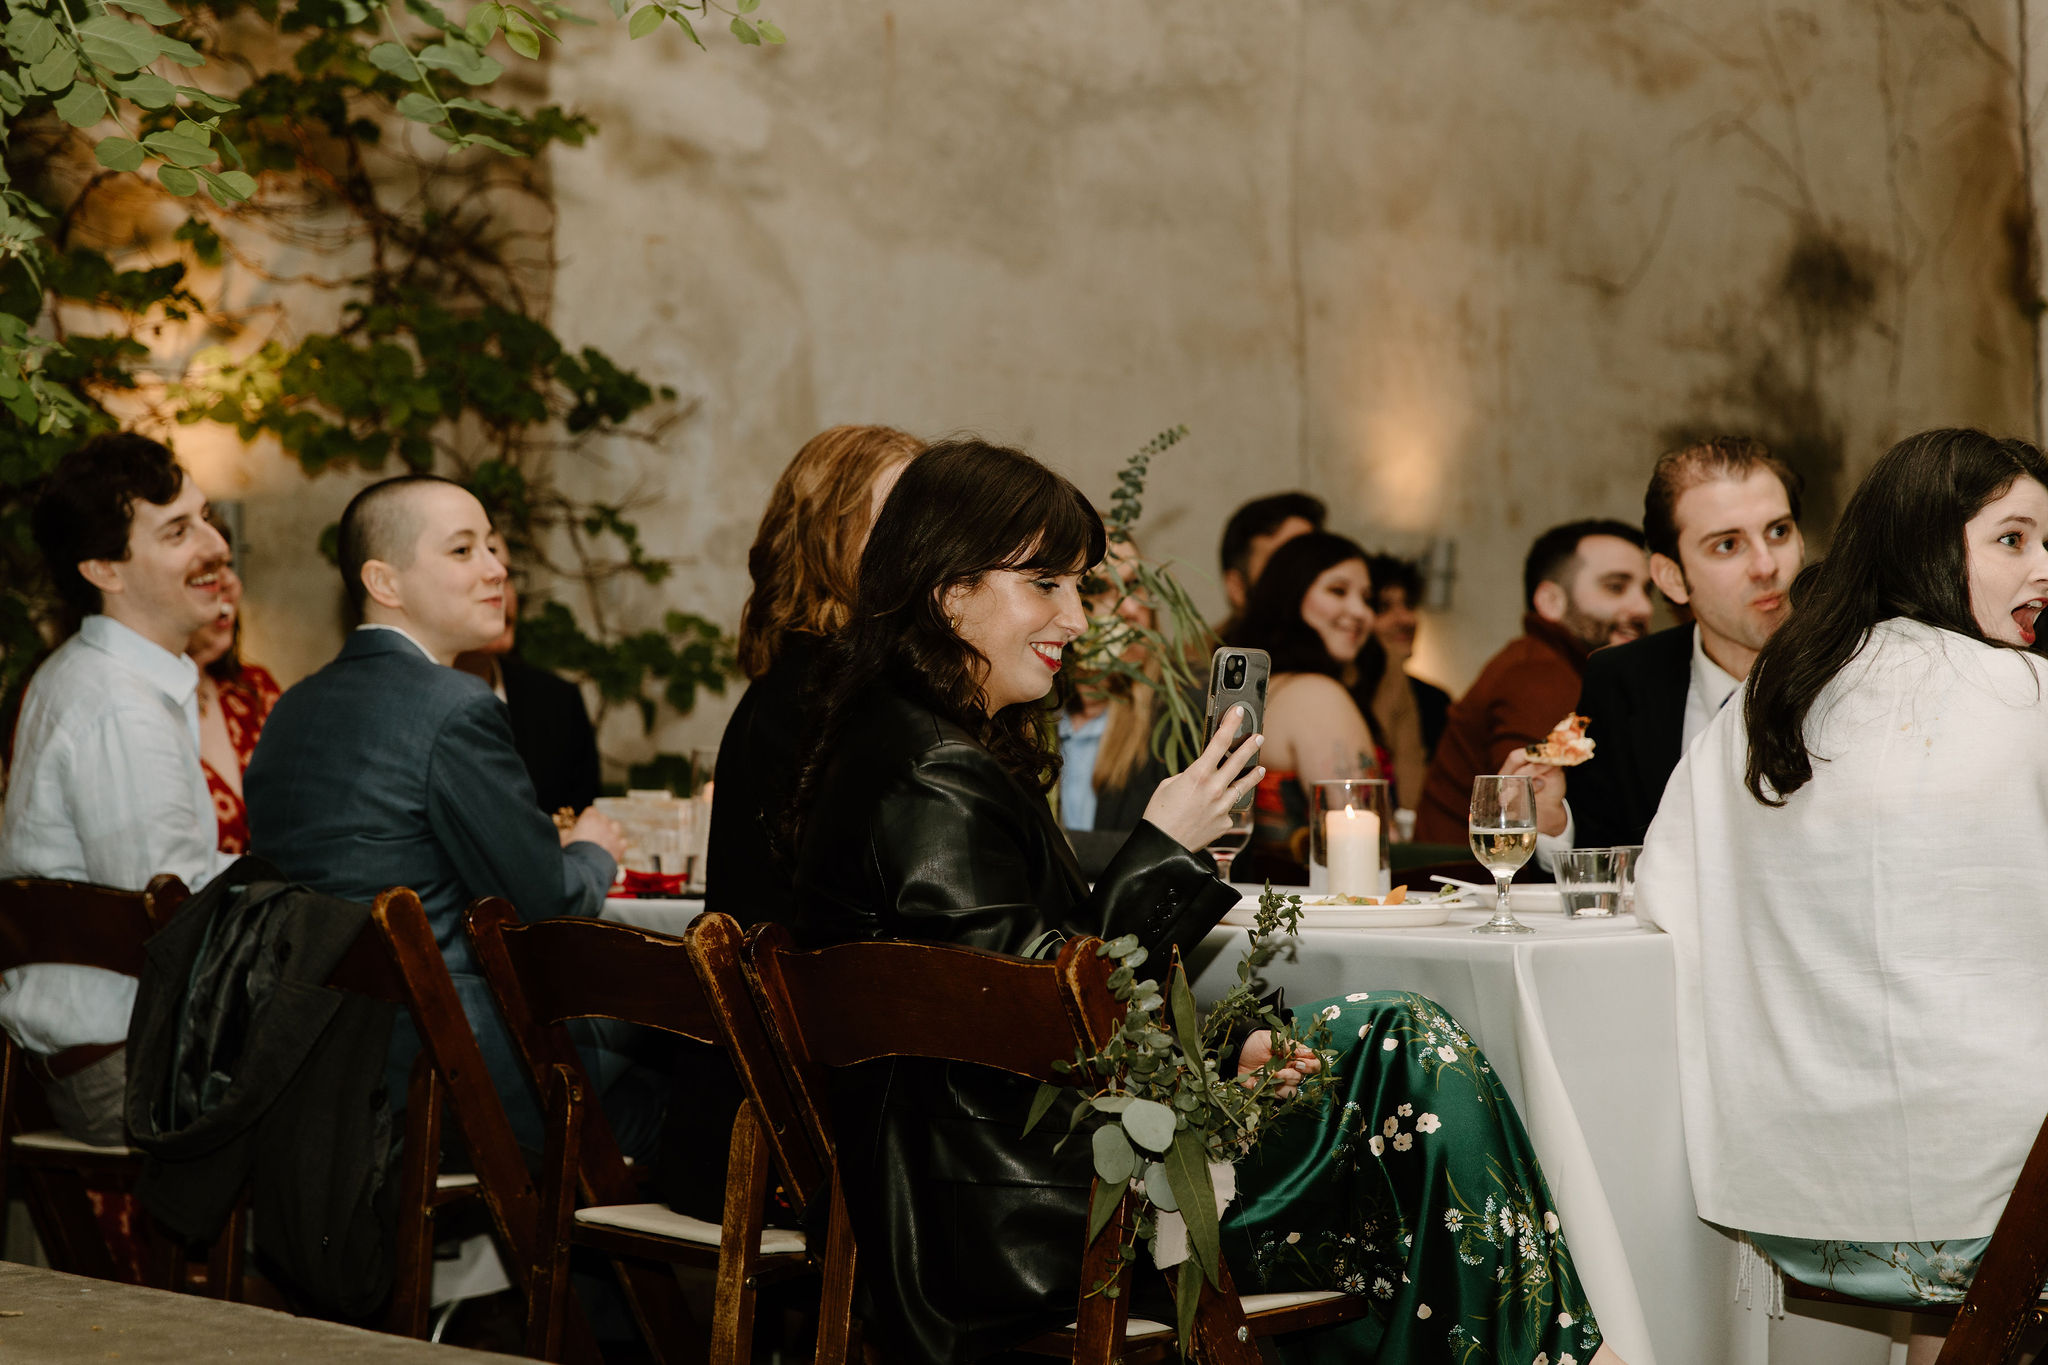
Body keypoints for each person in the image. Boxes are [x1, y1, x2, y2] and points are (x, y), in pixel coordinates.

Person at [794, 440, 1612, 1365]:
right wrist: (1160, 849)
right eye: (1047, 585)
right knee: (1402, 1051)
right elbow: (1036, 1025)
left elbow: (1036, 972)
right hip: (1032, 1213)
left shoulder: (908, 741)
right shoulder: (934, 772)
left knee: (1385, 1084)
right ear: (951, 592)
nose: (1076, 615)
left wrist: (1227, 1042)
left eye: (1080, 586)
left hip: (1009, 1189)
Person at [1638, 428, 2048, 1365]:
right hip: (2001, 1202)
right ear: (1928, 545)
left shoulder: (1768, 699)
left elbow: (1662, 901)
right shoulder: (2028, 696)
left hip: (1802, 1203)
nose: (2043, 569)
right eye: (2014, 540)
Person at [245, 473, 655, 1157]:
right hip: (444, 1071)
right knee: (692, 1085)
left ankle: (559, 1263)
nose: (497, 569)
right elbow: (545, 899)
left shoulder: (292, 707)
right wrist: (593, 848)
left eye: (493, 548)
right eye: (463, 551)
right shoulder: (455, 706)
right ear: (386, 581)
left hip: (315, 1063)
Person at [0, 432, 236, 1145]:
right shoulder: (118, 705)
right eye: (178, 530)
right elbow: (172, 918)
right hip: (127, 1069)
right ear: (105, 568)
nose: (215, 544)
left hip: (108, 1052)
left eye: (205, 517)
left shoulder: (98, 673)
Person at [706, 424, 923, 925]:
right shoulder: (838, 685)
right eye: (895, 518)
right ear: (826, 532)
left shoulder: (804, 673)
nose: (920, 540)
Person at [1564, 438, 1803, 852]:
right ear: (1672, 578)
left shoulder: (1864, 668)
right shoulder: (1622, 682)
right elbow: (1600, 848)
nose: (1766, 566)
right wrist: (1551, 824)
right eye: (1728, 545)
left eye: (1778, 532)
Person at [1413, 520, 1652, 845]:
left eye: (1647, 590)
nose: (1644, 608)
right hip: (1465, 888)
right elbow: (1525, 813)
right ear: (1551, 600)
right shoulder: (1538, 676)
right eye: (1615, 587)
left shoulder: (1557, 666)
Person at [1226, 532, 1387, 881]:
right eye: (1338, 591)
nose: (1360, 612)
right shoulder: (1318, 695)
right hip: (1318, 906)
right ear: (1291, 593)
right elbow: (1364, 837)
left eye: (1368, 598)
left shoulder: (1267, 689)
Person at [453, 532, 603, 817]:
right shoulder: (396, 705)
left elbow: (582, 824)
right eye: (482, 577)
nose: (501, 591)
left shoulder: (557, 701)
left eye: (507, 577)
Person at [1059, 533, 1173, 878]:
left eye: (1136, 585)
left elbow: (1193, 851)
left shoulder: (1180, 711)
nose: (1132, 608)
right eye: (1101, 588)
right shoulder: (1025, 710)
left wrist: (1044, 848)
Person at [186, 549, 283, 856]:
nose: (227, 581)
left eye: (228, 566)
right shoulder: (128, 703)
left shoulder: (253, 690)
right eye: (204, 572)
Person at [1353, 553, 1452, 825]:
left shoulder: (1434, 700)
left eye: (1409, 604)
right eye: (1384, 607)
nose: (1405, 618)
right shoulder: (1339, 694)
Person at [1217, 491, 1324, 635]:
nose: (1304, 576)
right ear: (1237, 588)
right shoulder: (1196, 656)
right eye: (1283, 563)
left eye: (1312, 561)